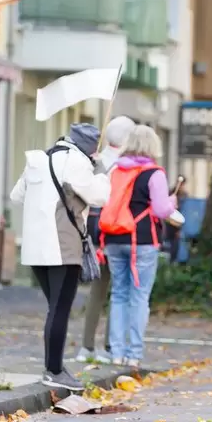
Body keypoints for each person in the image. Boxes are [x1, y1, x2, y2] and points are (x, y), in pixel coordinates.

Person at [10, 124, 110, 391]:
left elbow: (16, 195)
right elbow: (101, 196)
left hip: (33, 247)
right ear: (90, 148)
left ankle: (55, 367)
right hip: (62, 246)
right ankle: (54, 370)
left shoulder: (38, 159)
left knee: (54, 309)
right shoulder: (78, 162)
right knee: (59, 309)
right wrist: (99, 169)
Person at [101, 125, 177, 368]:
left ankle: (116, 352)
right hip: (142, 241)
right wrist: (172, 201)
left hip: (113, 238)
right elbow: (161, 210)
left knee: (119, 294)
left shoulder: (115, 170)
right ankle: (134, 353)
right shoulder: (154, 173)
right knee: (139, 296)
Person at [76, 115, 135, 366]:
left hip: (93, 232)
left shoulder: (93, 162)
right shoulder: (127, 166)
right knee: (120, 291)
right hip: (119, 232)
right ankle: (112, 346)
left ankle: (86, 345)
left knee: (97, 292)